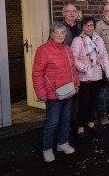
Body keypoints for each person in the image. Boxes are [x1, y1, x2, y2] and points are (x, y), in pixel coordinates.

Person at [32, 23, 80, 162]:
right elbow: (37, 73)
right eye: (56, 33)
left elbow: (72, 69)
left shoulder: (67, 49)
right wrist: (40, 92)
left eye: (62, 33)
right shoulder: (43, 50)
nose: (59, 35)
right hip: (53, 93)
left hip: (68, 91)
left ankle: (62, 143)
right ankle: (47, 148)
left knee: (65, 119)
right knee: (52, 122)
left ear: (65, 35)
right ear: (52, 34)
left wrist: (76, 84)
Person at [71, 16, 109, 141]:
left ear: (94, 26)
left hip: (97, 76)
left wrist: (108, 72)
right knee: (83, 102)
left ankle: (90, 122)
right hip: (84, 77)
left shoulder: (98, 39)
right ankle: (80, 126)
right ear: (82, 27)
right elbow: (73, 59)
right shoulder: (78, 40)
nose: (89, 28)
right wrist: (85, 69)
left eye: (91, 25)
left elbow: (104, 56)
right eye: (86, 25)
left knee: (94, 101)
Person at [60, 3, 82, 131]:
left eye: (74, 11)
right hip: (66, 67)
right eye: (69, 11)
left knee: (78, 95)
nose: (72, 13)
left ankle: (76, 121)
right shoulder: (59, 27)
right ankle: (65, 124)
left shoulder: (80, 26)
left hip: (79, 65)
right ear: (64, 13)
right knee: (68, 95)